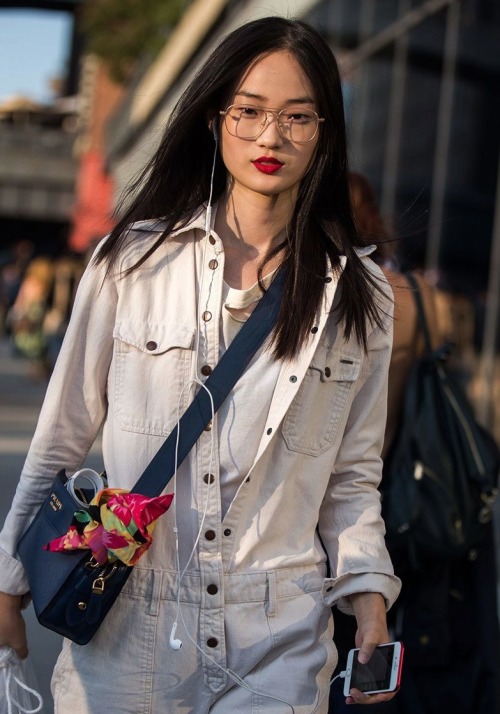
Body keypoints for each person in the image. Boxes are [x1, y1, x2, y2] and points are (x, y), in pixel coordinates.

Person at [0, 19, 401, 713]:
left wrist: (368, 596)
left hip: (278, 634)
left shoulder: (360, 295)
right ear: (216, 120)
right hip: (129, 631)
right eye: (248, 112)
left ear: (326, 131)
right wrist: (9, 578)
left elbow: (353, 477)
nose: (270, 138)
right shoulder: (132, 262)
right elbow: (61, 436)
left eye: (297, 117)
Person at [329, 173, 500, 713]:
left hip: (346, 498)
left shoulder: (342, 298)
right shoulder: (426, 299)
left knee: (339, 637)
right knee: (406, 632)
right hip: (417, 489)